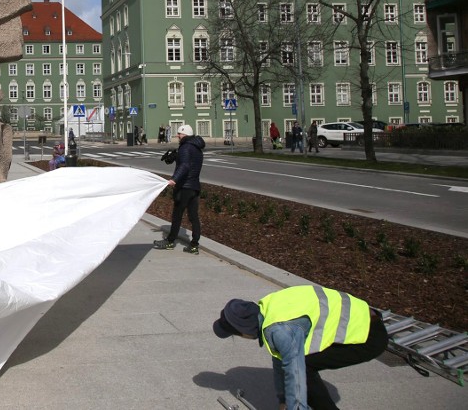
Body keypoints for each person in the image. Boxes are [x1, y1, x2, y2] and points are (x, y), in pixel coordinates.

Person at [213, 285, 388, 410]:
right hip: (365, 317)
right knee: (300, 363)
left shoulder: (279, 330)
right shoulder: (267, 309)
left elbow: (295, 375)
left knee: (304, 366)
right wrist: (283, 401)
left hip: (368, 336)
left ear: (243, 331)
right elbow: (279, 361)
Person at [153, 124, 205, 254]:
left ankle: (170, 242)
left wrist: (174, 179)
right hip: (194, 186)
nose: (177, 136)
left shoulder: (185, 147)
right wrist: (176, 156)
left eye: (180, 134)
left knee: (177, 215)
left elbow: (185, 165)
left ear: (185, 135)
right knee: (193, 217)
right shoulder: (197, 148)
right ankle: (194, 245)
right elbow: (190, 163)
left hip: (184, 187)